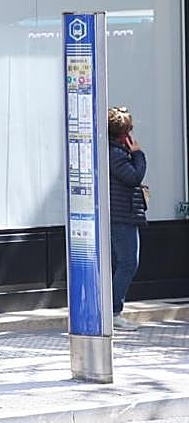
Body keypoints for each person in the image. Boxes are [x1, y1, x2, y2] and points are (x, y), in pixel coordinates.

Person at [108, 106, 147, 331]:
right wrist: (138, 154)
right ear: (123, 132)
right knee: (128, 262)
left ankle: (113, 309)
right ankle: (114, 311)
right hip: (122, 216)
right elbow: (133, 177)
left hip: (122, 214)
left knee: (123, 262)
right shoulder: (117, 154)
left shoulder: (114, 151)